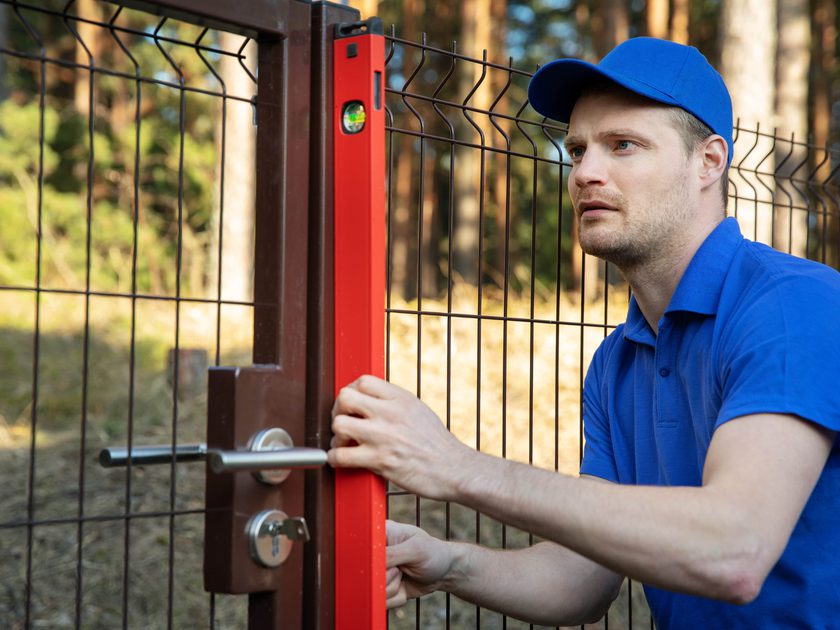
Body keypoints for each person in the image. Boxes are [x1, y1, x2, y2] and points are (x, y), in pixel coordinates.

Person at [327, 37, 840, 628]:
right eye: (577, 149)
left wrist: (459, 468)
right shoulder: (617, 361)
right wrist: (446, 563)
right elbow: (582, 581)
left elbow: (735, 549)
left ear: (709, 161)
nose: (586, 172)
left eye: (623, 145)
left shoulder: (793, 304)